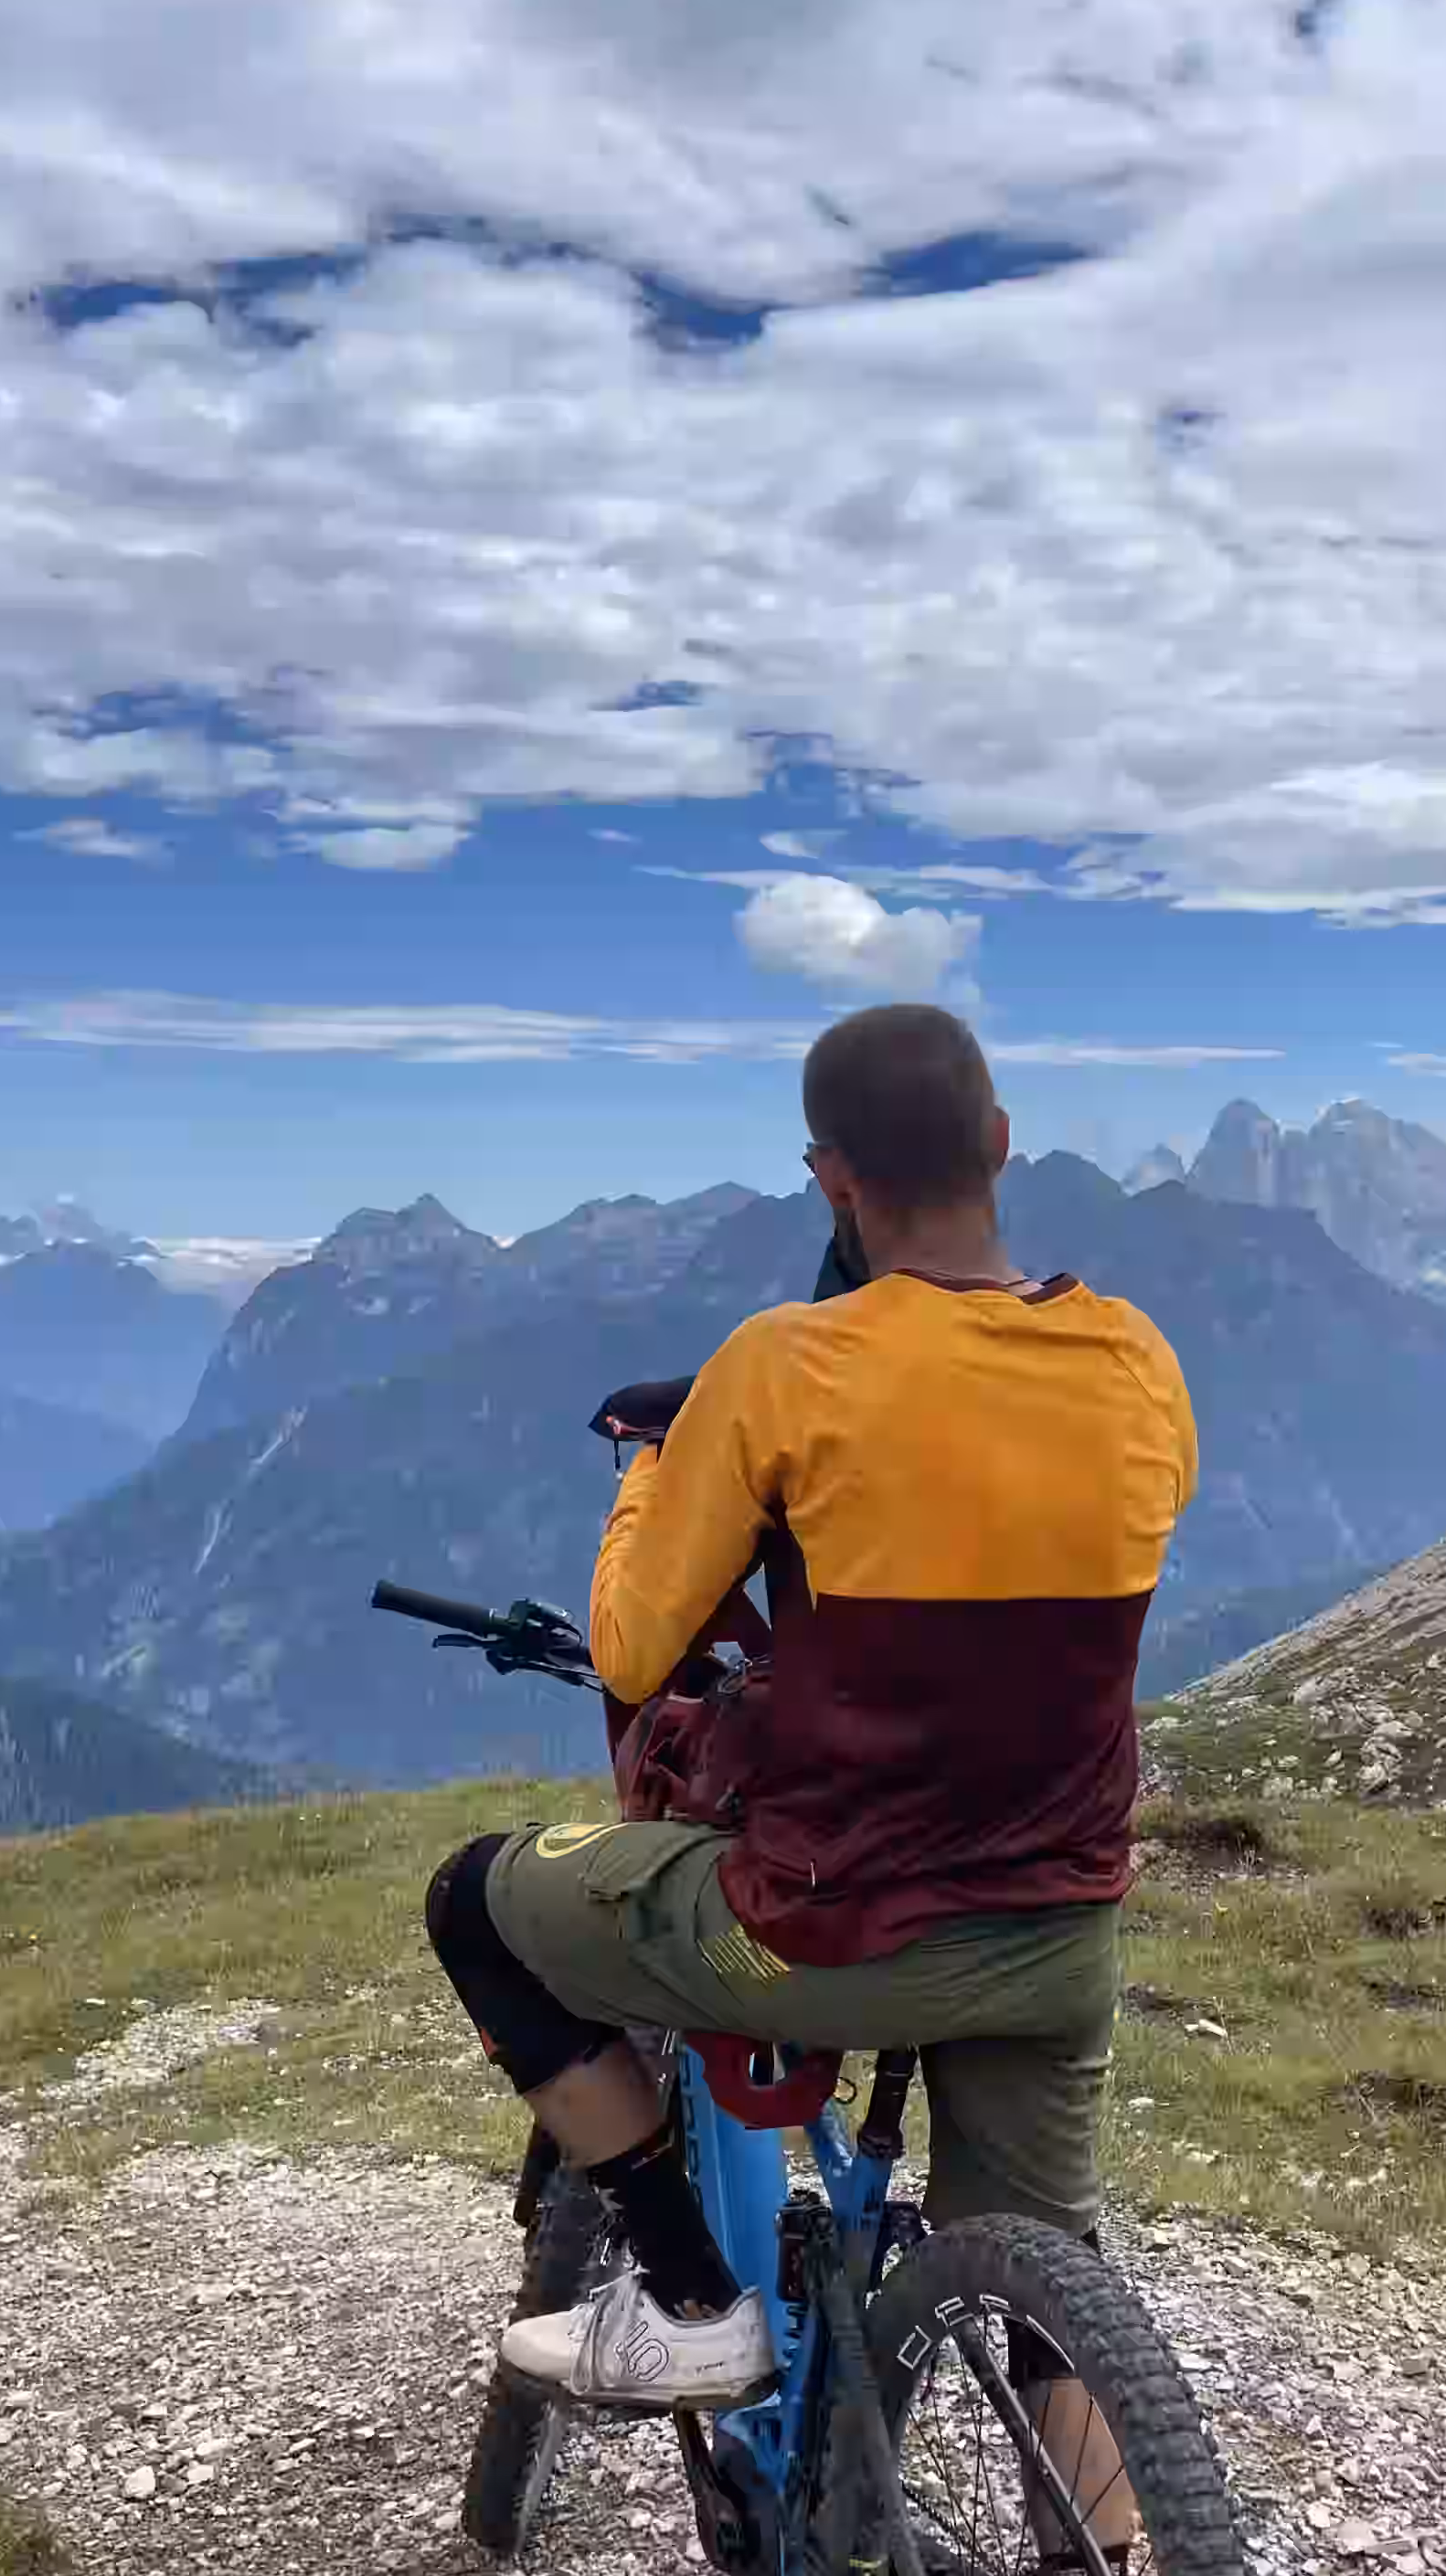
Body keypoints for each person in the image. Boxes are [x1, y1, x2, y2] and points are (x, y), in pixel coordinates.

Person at [420, 1000, 1197, 2416]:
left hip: (834, 1930)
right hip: (1061, 1927)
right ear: (1001, 1141)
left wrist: (651, 1471)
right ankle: (1119, 2571)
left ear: (830, 1176)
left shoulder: (784, 1366)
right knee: (1053, 2284)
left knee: (471, 1903)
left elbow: (633, 1648)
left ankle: (691, 2307)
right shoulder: (1138, 1358)